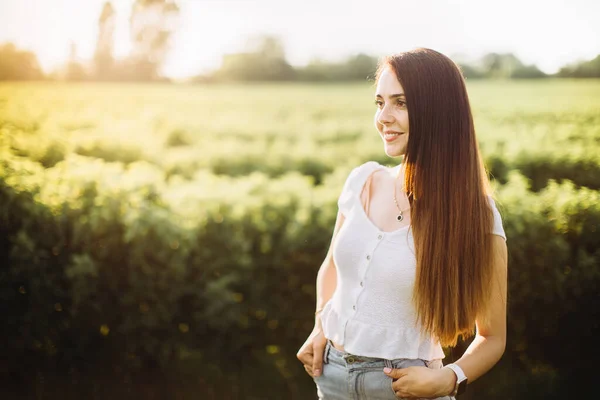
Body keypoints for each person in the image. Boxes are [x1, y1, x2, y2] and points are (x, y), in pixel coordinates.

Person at [296, 48, 508, 400]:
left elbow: (492, 336)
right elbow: (331, 266)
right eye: (379, 103)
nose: (383, 118)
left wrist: (449, 378)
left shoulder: (475, 214)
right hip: (331, 379)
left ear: (438, 112)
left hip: (407, 388)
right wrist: (321, 325)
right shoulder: (362, 181)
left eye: (401, 103)